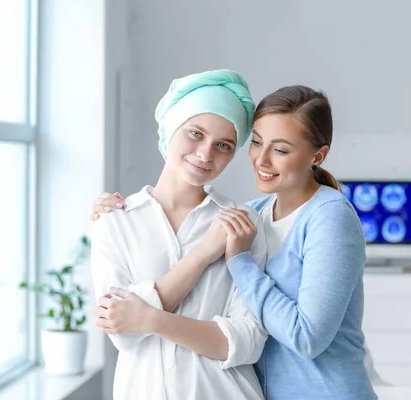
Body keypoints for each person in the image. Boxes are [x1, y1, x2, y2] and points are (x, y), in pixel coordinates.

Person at [92, 85, 378, 399]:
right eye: (256, 143)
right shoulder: (252, 214)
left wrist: (239, 262)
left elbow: (306, 337)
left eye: (280, 150)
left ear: (317, 156)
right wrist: (114, 211)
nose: (262, 160)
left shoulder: (330, 218)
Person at [90, 69, 268, 400]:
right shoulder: (114, 222)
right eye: (195, 133)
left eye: (223, 145)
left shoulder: (244, 223)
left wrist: (149, 319)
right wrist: (203, 254)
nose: (205, 153)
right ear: (170, 128)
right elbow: (122, 334)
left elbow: (246, 342)